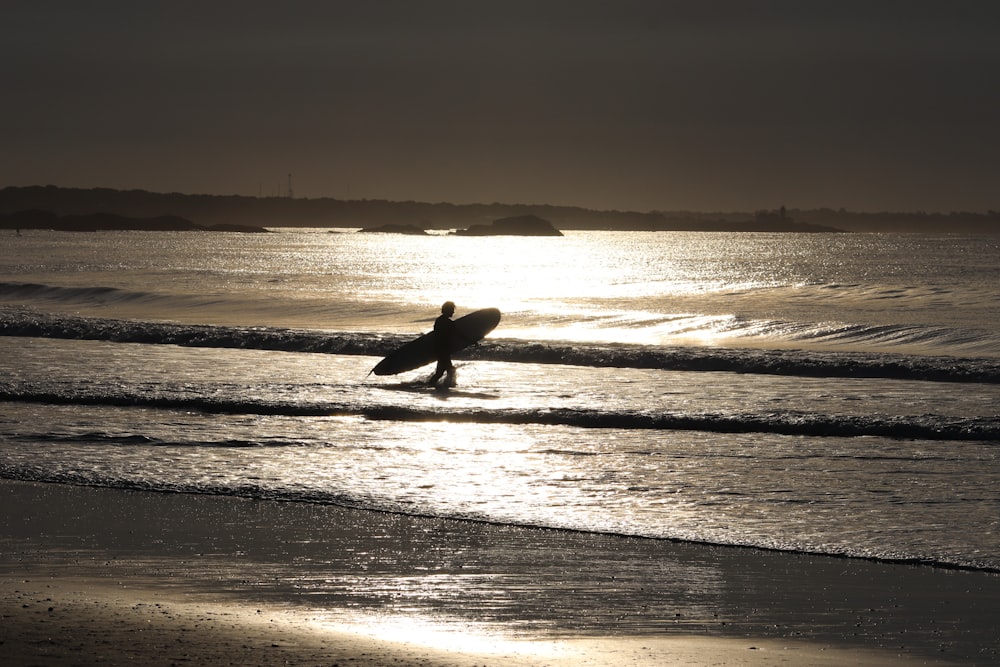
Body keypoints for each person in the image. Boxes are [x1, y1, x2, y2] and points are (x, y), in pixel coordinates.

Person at [428, 301, 458, 386]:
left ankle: (440, 384)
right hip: (442, 350)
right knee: (449, 370)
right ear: (447, 310)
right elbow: (458, 334)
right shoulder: (445, 322)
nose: (453, 312)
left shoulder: (440, 321)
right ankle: (447, 385)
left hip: (441, 350)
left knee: (441, 372)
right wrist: (470, 340)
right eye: (452, 310)